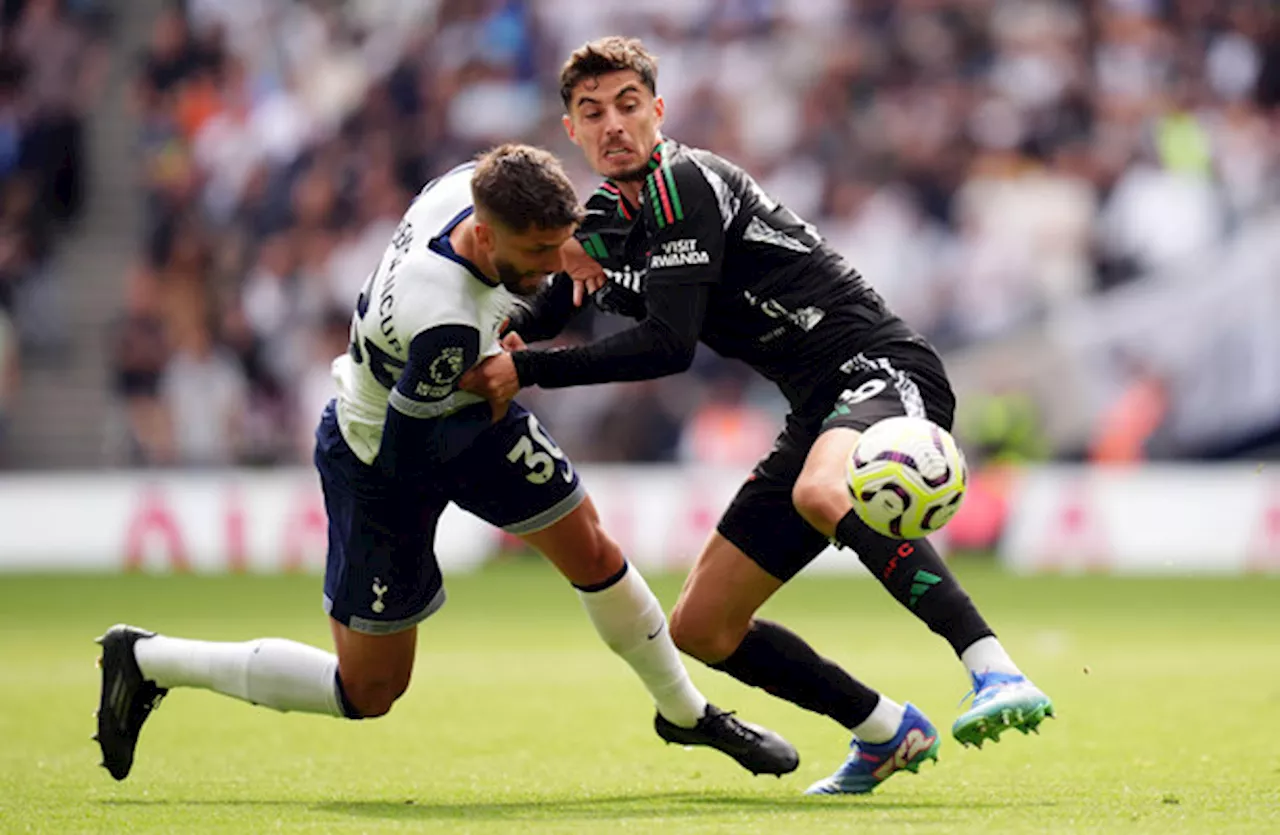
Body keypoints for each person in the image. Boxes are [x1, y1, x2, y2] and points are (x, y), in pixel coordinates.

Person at [460, 39, 1054, 796]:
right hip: (816, 409)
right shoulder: (608, 216)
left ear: (658, 112)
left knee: (819, 492)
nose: (613, 125)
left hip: (880, 368)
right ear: (571, 131)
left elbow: (669, 345)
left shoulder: (685, 182)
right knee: (702, 627)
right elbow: (551, 301)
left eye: (629, 105)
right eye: (592, 112)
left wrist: (528, 369)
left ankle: (993, 669)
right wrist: (500, 334)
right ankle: (883, 727)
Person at [95, 144, 797, 782]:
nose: (558, 259)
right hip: (380, 453)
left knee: (591, 547)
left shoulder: (472, 187)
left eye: (562, 241)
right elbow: (406, 453)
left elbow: (538, 279)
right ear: (489, 237)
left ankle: (686, 712)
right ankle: (148, 659)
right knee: (370, 690)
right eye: (541, 249)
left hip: (467, 410)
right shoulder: (446, 322)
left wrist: (575, 256)